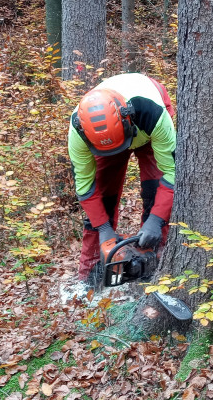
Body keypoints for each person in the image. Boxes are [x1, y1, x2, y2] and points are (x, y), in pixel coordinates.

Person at [68, 72, 176, 281]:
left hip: (145, 130)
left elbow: (172, 174)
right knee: (102, 198)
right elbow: (85, 188)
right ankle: (90, 275)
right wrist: (104, 229)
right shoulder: (79, 132)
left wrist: (155, 220)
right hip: (106, 137)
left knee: (157, 191)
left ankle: (158, 264)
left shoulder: (153, 114)